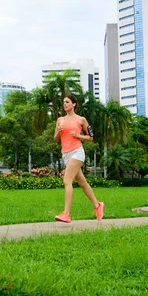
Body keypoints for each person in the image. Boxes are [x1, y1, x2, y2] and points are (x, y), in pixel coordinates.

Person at [53, 94, 104, 223]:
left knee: (67, 180)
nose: (65, 104)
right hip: (66, 154)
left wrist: (78, 135)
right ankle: (98, 205)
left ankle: (66, 213)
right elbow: (55, 139)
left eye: (67, 102)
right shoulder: (60, 120)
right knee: (82, 183)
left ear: (74, 104)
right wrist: (58, 131)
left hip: (77, 152)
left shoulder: (81, 120)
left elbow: (91, 137)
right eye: (63, 102)